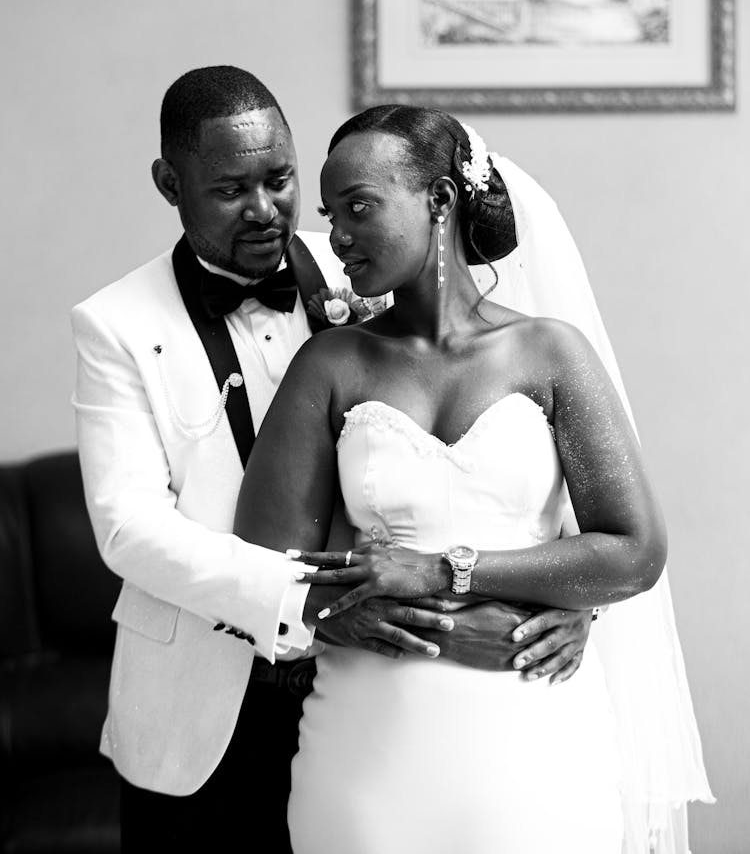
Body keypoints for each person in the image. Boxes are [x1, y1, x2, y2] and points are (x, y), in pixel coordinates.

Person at [71, 68, 593, 853]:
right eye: (230, 188)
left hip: (374, 698)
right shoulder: (114, 323)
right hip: (207, 704)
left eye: (280, 178)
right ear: (169, 183)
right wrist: (309, 601)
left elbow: (488, 461)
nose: (265, 208)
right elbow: (128, 528)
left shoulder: (369, 255)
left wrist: (569, 591)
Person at [235, 105, 714, 854]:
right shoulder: (330, 366)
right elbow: (265, 567)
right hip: (369, 753)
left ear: (440, 200)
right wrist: (345, 614)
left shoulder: (550, 352)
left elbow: (634, 551)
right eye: (331, 214)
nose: (339, 236)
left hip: (539, 747)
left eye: (359, 207)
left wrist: (445, 573)